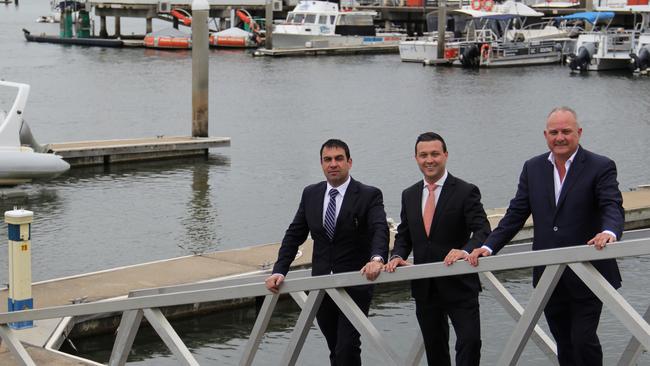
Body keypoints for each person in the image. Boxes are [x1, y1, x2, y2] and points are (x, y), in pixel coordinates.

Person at [468, 107, 624, 366]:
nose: (560, 137)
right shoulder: (533, 168)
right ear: (545, 135)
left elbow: (612, 205)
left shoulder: (600, 166)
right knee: (564, 343)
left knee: (584, 340)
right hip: (549, 276)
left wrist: (609, 232)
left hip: (590, 272)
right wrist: (489, 246)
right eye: (554, 132)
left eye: (566, 131)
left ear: (579, 133)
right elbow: (516, 214)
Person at [265, 138, 389, 366]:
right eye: (327, 159)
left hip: (355, 283)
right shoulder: (311, 194)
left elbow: (380, 228)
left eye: (339, 159)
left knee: (347, 347)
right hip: (321, 285)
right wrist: (280, 270)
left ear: (349, 162)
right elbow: (294, 234)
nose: (333, 164)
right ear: (321, 164)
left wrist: (377, 258)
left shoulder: (368, 195)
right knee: (335, 347)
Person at [385, 132, 491, 366]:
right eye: (423, 155)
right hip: (425, 287)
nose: (429, 160)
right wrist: (397, 256)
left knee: (470, 342)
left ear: (445, 155)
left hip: (460, 283)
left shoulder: (465, 190)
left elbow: (482, 230)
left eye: (434, 154)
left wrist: (465, 251)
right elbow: (404, 236)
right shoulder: (409, 195)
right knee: (435, 350)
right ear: (416, 158)